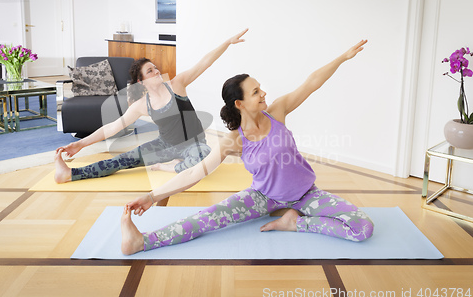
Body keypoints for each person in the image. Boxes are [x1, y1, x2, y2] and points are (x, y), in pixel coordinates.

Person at [121, 39, 374, 255]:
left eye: (260, 88)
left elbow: (311, 83)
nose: (263, 93)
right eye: (256, 92)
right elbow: (193, 173)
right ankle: (142, 241)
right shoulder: (234, 140)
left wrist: (342, 58)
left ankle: (293, 223)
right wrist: (153, 197)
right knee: (206, 218)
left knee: (362, 227)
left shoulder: (278, 111)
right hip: (262, 197)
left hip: (307, 194)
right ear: (239, 103)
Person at [54, 29, 248, 183]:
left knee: (205, 156)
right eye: (150, 70)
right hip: (164, 146)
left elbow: (204, 63)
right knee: (121, 161)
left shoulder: (177, 85)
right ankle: (70, 174)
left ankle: (169, 166)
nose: (156, 71)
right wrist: (80, 143)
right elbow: (112, 127)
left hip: (193, 145)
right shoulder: (141, 105)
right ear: (142, 81)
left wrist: (227, 43)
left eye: (155, 67)